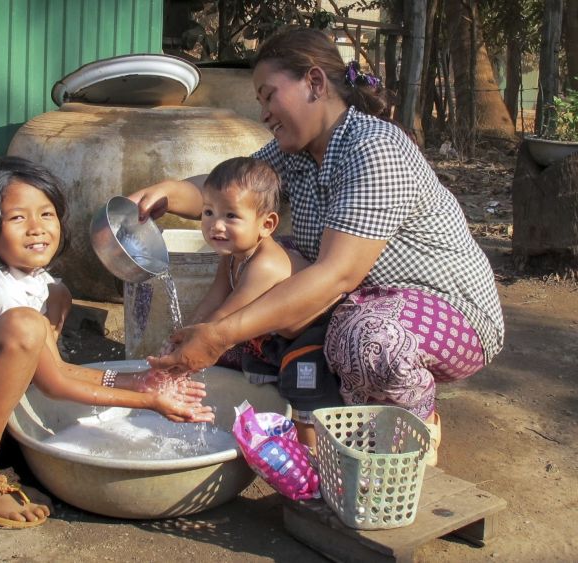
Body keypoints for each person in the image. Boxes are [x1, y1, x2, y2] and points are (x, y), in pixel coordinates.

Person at [129, 27, 504, 466]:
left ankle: (416, 424)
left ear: (315, 83)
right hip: (356, 302)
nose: (264, 111)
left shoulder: (374, 148)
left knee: (364, 342)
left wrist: (219, 333)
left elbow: (336, 274)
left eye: (269, 96)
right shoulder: (297, 153)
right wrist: (168, 193)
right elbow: (229, 193)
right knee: (256, 265)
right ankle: (304, 403)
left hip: (447, 311)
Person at [0, 156, 214, 529]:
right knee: (27, 328)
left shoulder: (32, 278)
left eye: (46, 215)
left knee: (40, 316)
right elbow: (56, 381)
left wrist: (136, 376)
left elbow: (57, 320)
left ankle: (3, 461)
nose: (36, 229)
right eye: (17, 218)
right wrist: (145, 398)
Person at [190, 156, 311, 375]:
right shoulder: (232, 253)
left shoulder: (265, 265)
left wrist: (189, 348)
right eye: (209, 212)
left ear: (267, 225)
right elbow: (214, 299)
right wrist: (184, 333)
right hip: (275, 336)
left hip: (312, 338)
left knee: (300, 387)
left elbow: (227, 316)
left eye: (231, 216)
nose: (216, 225)